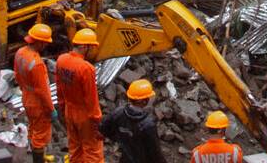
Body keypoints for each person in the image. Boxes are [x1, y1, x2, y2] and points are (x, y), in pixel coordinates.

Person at [56, 29, 103, 163]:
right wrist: (97, 121)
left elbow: (59, 87)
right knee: (93, 152)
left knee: (75, 149)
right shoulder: (86, 68)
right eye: (91, 47)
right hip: (85, 116)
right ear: (85, 46)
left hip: (69, 110)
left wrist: (62, 107)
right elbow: (91, 98)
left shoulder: (61, 60)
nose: (92, 50)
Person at [15, 24, 56, 163]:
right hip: (38, 104)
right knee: (40, 135)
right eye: (44, 42)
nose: (45, 45)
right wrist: (51, 109)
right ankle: (38, 159)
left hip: (26, 96)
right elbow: (43, 91)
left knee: (33, 128)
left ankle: (39, 155)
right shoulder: (37, 63)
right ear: (39, 42)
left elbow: (17, 75)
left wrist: (25, 90)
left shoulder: (20, 52)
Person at [99, 79, 166, 163]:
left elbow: (103, 129)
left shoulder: (118, 113)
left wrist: (120, 138)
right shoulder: (148, 124)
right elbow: (155, 152)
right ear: (145, 101)